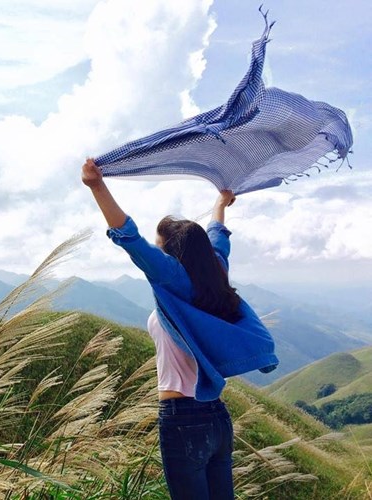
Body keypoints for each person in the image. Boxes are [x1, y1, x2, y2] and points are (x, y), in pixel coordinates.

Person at [81, 157, 277, 499]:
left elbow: (129, 238)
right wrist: (220, 202)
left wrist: (97, 186)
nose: (157, 253)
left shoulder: (172, 278)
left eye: (160, 248)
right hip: (217, 417)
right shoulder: (214, 272)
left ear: (170, 254)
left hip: (182, 419)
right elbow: (218, 237)